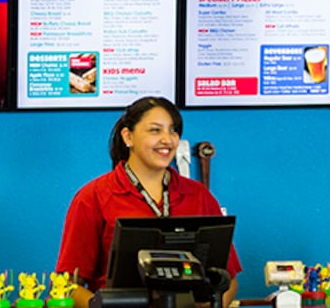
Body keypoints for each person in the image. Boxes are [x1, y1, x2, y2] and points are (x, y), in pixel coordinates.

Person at [55, 96, 241, 308]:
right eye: (155, 130)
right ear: (128, 137)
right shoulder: (93, 197)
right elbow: (68, 284)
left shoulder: (199, 195)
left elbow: (229, 279)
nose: (167, 139)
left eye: (173, 130)